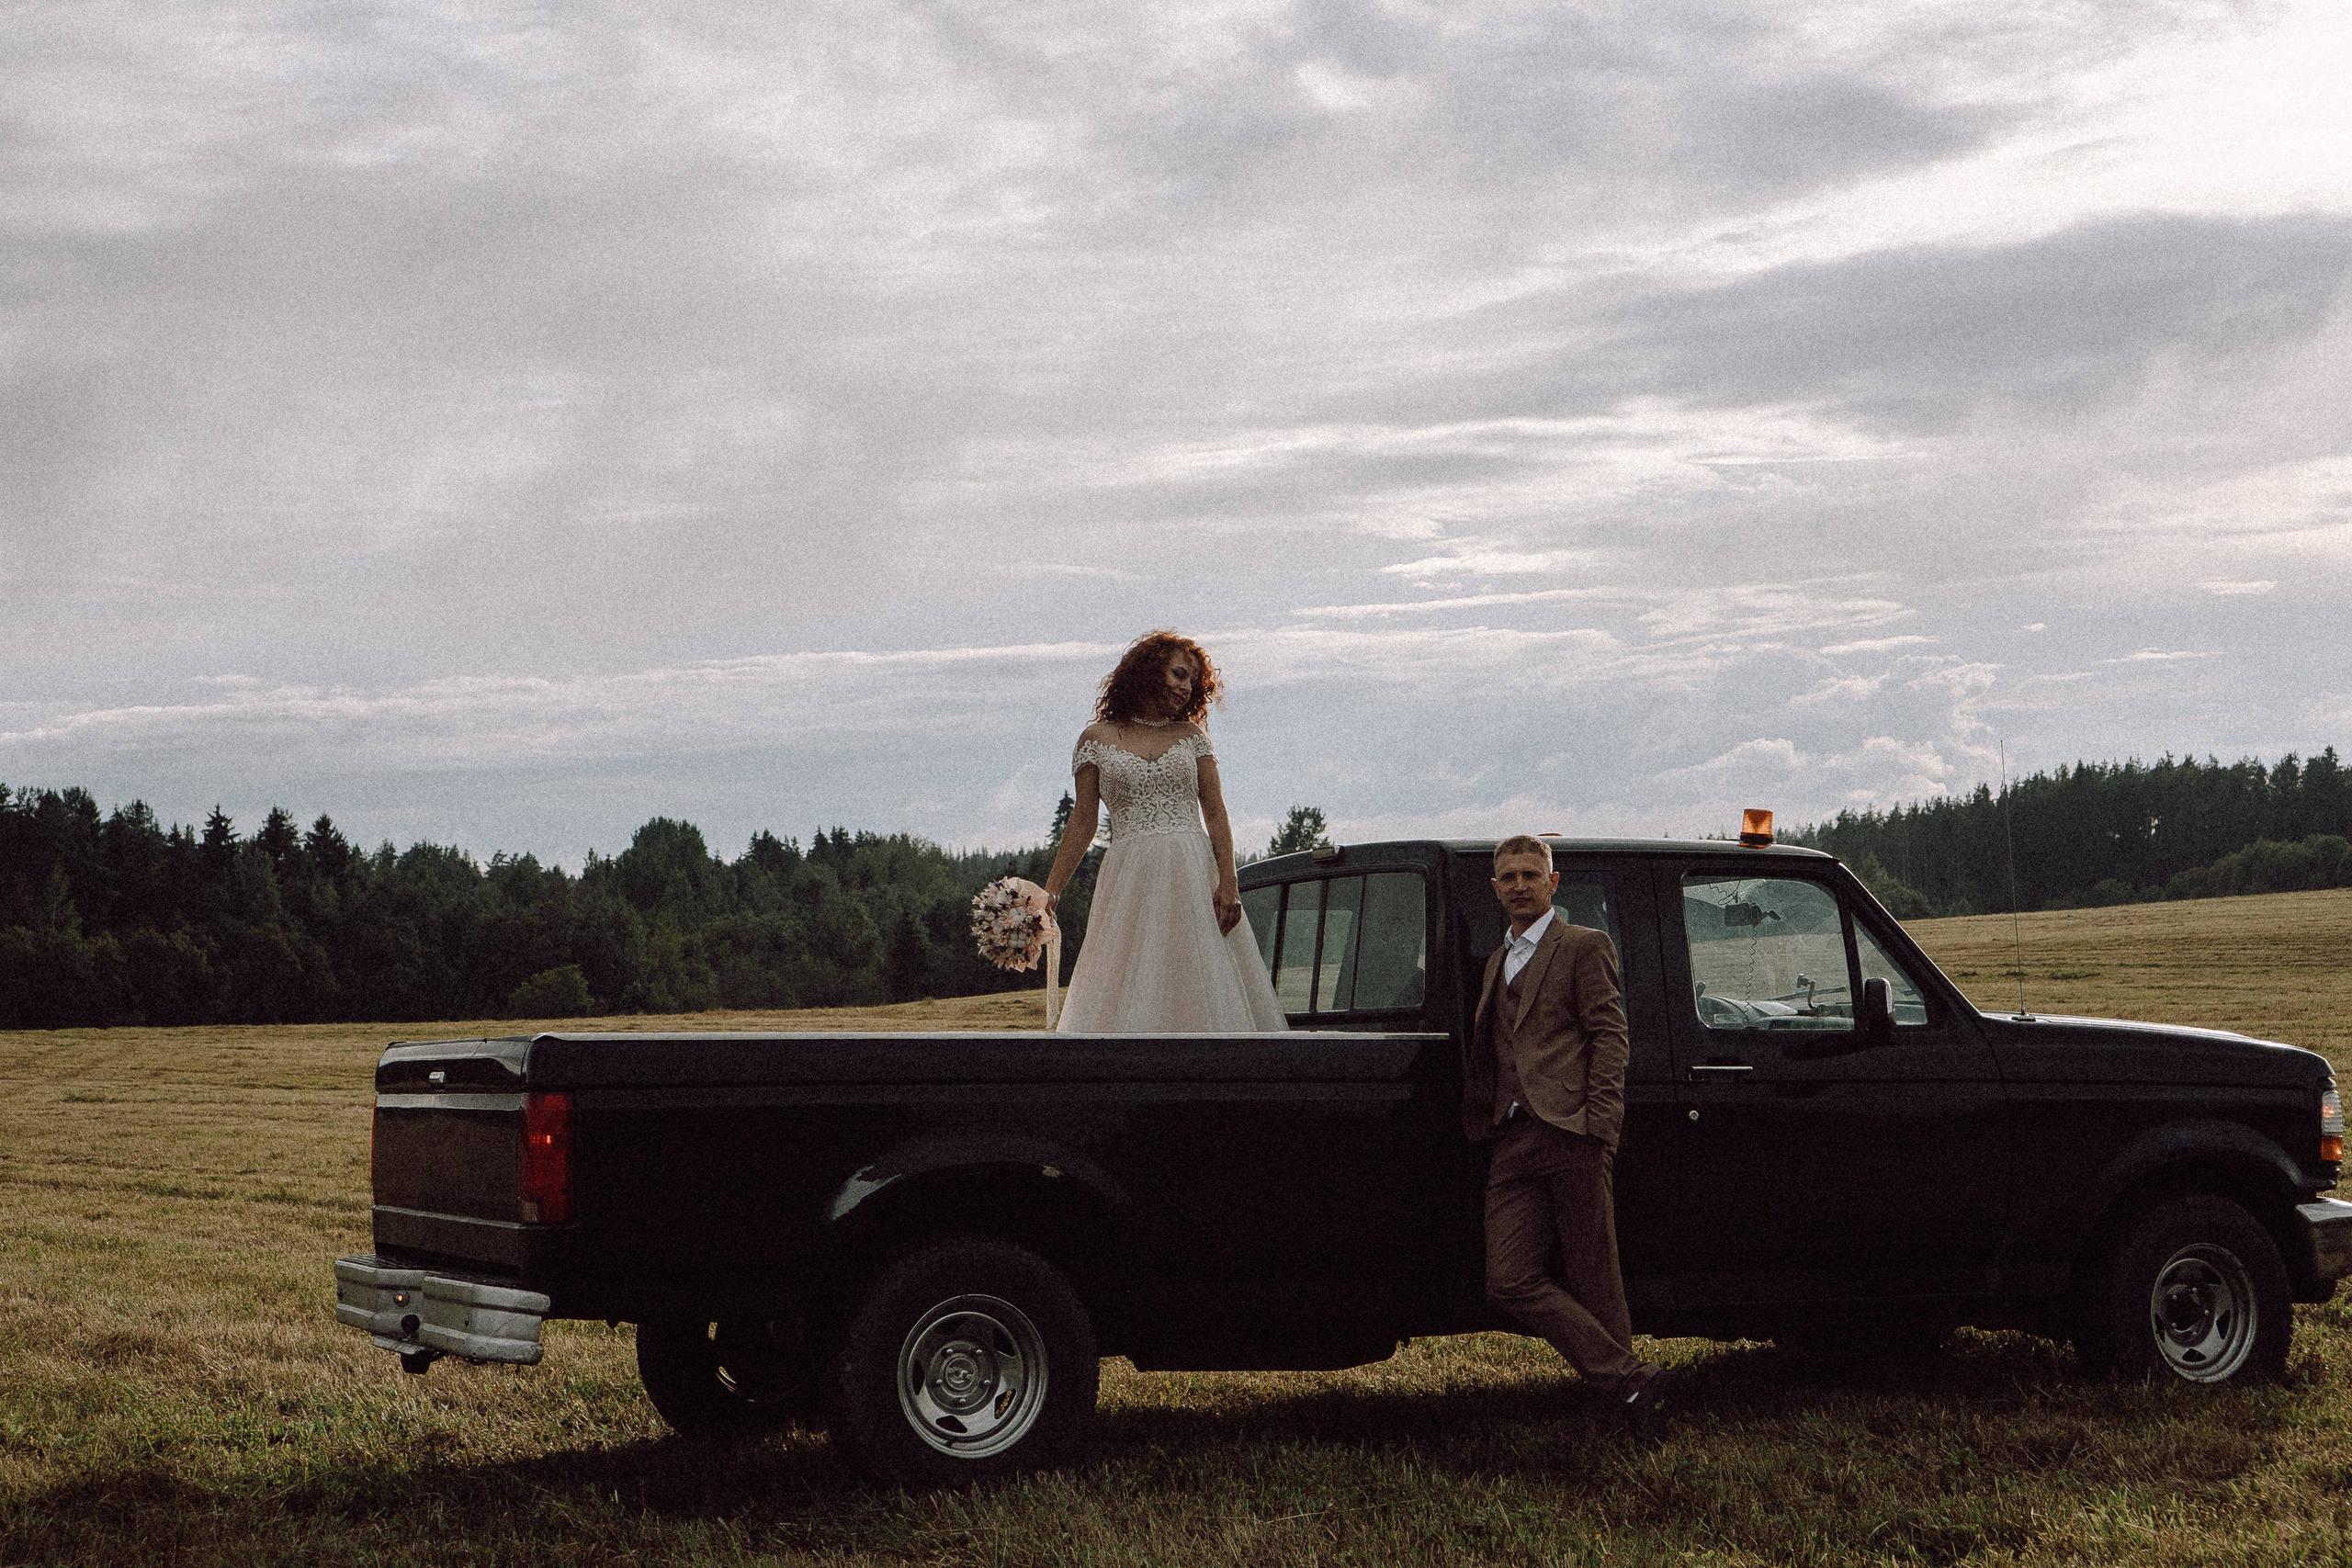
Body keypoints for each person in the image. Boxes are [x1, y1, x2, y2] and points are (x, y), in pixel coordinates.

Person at [1465, 834, 1679, 1444]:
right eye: (1509, 876)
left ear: (1554, 883)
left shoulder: (1584, 945)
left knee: (1594, 1273)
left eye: (1532, 874)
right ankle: (1636, 1377)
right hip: (1512, 1138)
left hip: (1572, 1133)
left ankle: (1632, 1408)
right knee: (1507, 1279)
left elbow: (1610, 1035)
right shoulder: (1495, 961)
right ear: (1495, 887)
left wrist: (1599, 1126)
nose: (1520, 884)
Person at [1043, 631, 1287, 1032]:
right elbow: (1083, 821)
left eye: (1192, 680)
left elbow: (1215, 811)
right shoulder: (1095, 740)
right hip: (1129, 878)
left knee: (1202, 976)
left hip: (1193, 872)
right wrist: (1051, 891)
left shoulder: (1192, 738)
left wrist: (1229, 883)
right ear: (1149, 670)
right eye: (1178, 674)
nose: (1186, 687)